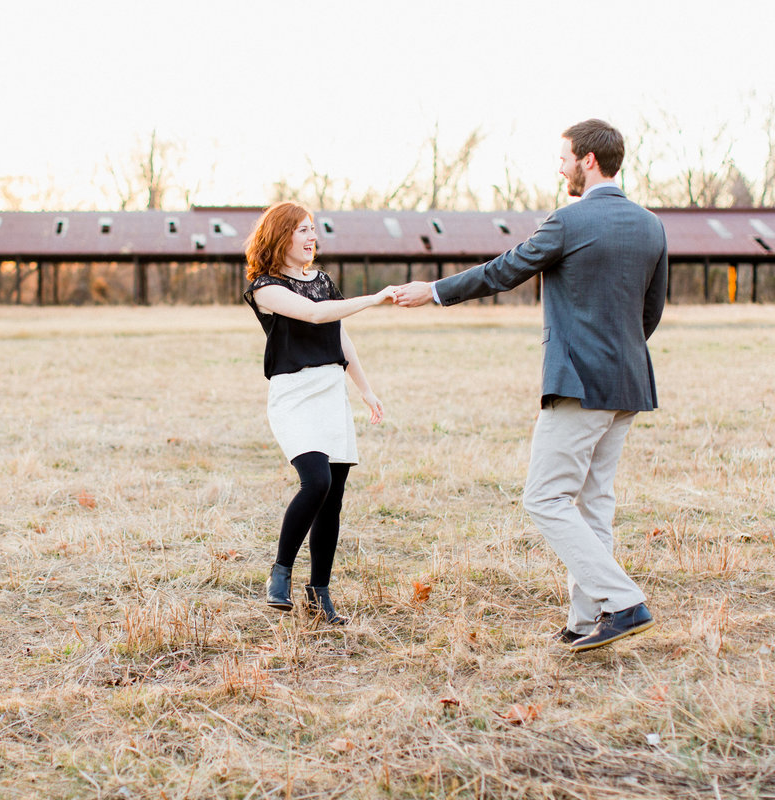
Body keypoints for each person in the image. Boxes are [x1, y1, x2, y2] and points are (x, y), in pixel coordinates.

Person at [393, 119, 667, 653]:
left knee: (544, 498)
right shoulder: (652, 225)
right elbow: (651, 311)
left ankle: (623, 602)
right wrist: (621, 352)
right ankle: (585, 621)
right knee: (593, 505)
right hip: (629, 382)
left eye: (564, 156)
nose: (560, 165)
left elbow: (504, 271)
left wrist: (434, 290)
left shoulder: (569, 220)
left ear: (589, 160)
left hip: (579, 383)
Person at [243, 201, 394, 625]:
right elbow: (312, 314)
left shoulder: (324, 281)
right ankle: (280, 574)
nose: (312, 237)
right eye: (302, 230)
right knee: (317, 481)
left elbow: (340, 335)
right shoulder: (265, 287)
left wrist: (365, 390)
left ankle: (319, 593)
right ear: (280, 236)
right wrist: (376, 298)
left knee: (333, 500)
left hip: (331, 392)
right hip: (294, 394)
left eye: (314, 230)